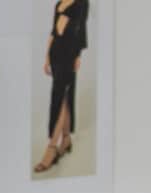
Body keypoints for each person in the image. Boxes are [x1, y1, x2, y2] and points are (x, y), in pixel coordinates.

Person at [37, 0, 89, 173]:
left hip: (69, 52)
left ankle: (52, 148)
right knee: (64, 96)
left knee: (59, 97)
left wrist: (78, 56)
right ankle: (65, 140)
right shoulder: (59, 3)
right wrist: (46, 56)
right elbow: (53, 31)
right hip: (56, 52)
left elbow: (81, 29)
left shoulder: (82, 2)